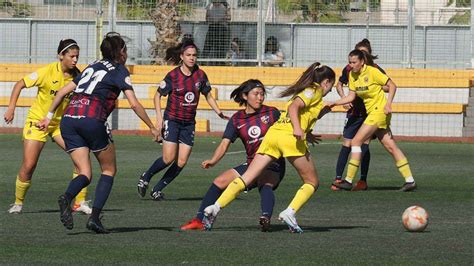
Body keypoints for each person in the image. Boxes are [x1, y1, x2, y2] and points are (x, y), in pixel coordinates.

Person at [37, 32, 160, 234]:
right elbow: (134, 103)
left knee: (85, 172)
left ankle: (67, 197)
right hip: (92, 119)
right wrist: (152, 127)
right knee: (109, 169)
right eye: (125, 50)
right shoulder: (120, 70)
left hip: (69, 119)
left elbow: (61, 92)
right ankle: (94, 218)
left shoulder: (92, 66)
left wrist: (48, 117)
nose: (126, 54)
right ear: (120, 52)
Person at [203, 62, 335, 233]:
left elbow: (305, 114)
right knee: (312, 182)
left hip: (273, 136)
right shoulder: (314, 90)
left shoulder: (308, 92)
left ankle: (215, 207)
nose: (329, 90)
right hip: (288, 138)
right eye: (331, 86)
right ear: (326, 82)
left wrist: (307, 129)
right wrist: (297, 128)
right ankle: (290, 212)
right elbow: (295, 107)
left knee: (248, 177)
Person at [180, 79, 285, 232]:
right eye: (256, 94)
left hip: (273, 163)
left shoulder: (272, 113)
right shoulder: (237, 119)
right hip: (252, 163)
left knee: (265, 183)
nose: (260, 98)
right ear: (244, 96)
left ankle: (265, 218)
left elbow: (289, 127)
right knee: (219, 181)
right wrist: (213, 160)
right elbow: (224, 143)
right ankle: (200, 220)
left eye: (262, 94)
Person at [4, 39, 91, 215]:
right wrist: (11, 108)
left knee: (81, 160)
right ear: (61, 55)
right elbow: (20, 84)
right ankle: (18, 203)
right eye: (72, 56)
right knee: (29, 165)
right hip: (37, 122)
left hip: (61, 125)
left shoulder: (78, 76)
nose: (75, 60)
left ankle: (79, 202)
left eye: (77, 56)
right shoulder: (47, 72)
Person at [137, 39, 228, 201]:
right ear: (182, 57)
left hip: (188, 124)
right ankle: (146, 176)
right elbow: (157, 96)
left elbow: (208, 95)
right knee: (168, 158)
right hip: (172, 120)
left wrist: (219, 112)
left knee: (181, 161)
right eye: (188, 55)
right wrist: (159, 119)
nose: (192, 58)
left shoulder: (200, 75)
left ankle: (157, 190)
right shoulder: (173, 75)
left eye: (194, 55)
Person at [329, 49, 416, 192]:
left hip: (379, 111)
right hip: (373, 113)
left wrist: (388, 104)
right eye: (349, 62)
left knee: (356, 141)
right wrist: (334, 103)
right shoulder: (352, 75)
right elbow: (351, 96)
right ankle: (410, 181)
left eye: (354, 62)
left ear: (362, 61)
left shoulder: (372, 72)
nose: (351, 65)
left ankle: (349, 180)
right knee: (390, 146)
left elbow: (392, 85)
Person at [332, 38, 387, 192]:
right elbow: (339, 84)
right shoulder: (349, 69)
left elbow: (388, 85)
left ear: (366, 57)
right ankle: (338, 179)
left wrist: (377, 87)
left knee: (364, 145)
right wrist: (343, 100)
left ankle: (362, 180)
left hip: (371, 113)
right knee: (347, 143)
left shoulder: (375, 69)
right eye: (360, 52)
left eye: (365, 53)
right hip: (354, 112)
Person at [202, 0, 231, 65]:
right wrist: (212, 20)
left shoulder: (225, 5)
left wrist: (221, 20)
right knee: (207, 45)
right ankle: (203, 61)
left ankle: (220, 62)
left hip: (222, 28)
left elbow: (229, 17)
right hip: (212, 27)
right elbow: (206, 18)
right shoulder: (210, 6)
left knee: (220, 46)